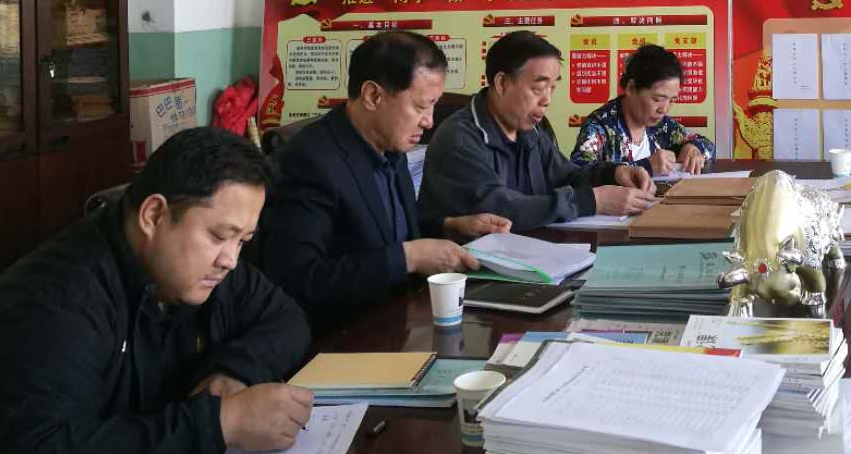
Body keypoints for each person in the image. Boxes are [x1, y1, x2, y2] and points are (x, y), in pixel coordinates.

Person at [0, 128, 313, 454]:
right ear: (154, 215)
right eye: (220, 236)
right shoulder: (57, 299)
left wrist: (233, 372)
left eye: (243, 241)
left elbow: (287, 319)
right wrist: (219, 424)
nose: (231, 260)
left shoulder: (202, 269)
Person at [261, 30, 507, 332]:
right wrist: (409, 257)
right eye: (420, 107)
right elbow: (298, 281)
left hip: (402, 319)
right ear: (373, 96)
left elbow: (380, 233)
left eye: (433, 106)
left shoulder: (390, 145)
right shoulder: (308, 162)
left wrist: (449, 226)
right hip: (345, 336)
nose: (430, 121)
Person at [420, 30, 656, 233]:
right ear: (501, 83)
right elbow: (501, 209)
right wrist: (592, 201)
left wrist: (615, 173)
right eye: (539, 88)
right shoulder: (459, 140)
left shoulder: (529, 129)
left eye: (552, 88)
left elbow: (567, 175)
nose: (547, 100)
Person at [571, 43, 715, 175]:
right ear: (631, 88)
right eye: (657, 99)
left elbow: (708, 145)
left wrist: (694, 147)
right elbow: (578, 173)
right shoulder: (600, 126)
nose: (664, 109)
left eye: (672, 100)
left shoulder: (661, 125)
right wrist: (647, 166)